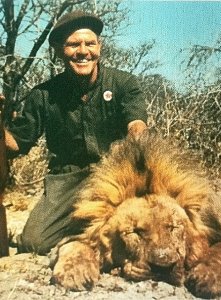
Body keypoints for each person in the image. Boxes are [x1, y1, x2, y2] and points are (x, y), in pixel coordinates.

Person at [2, 10, 148, 255]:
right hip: (66, 181)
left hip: (115, 175)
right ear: (59, 50)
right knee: (33, 242)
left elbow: (137, 125)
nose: (83, 51)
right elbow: (17, 142)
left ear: (99, 47)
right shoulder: (43, 94)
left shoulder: (124, 83)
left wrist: (136, 151)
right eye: (73, 44)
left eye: (90, 43)